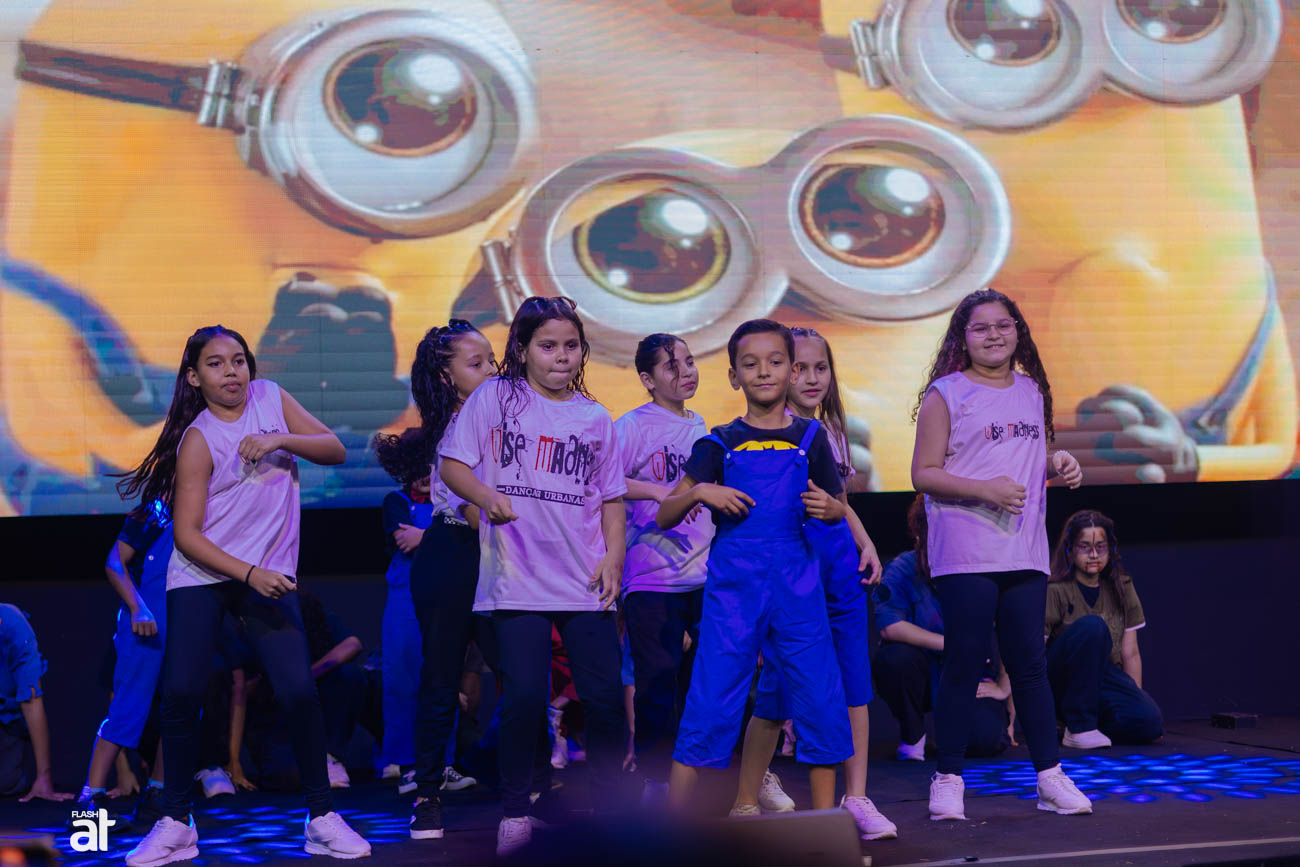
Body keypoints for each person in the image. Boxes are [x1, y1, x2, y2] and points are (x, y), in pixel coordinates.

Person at [115, 324, 369, 864]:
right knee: (182, 693)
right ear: (193, 377)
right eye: (215, 363)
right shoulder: (198, 439)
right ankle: (175, 822)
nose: (231, 372)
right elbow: (187, 536)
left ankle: (321, 818)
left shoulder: (271, 398)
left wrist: (280, 438)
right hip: (203, 573)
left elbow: (335, 449)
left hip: (264, 572)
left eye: (238, 360)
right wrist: (249, 574)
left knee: (298, 691)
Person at [440, 297, 629, 856]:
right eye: (548, 346)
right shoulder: (495, 398)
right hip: (515, 578)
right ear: (522, 350)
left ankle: (612, 812)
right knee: (523, 698)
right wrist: (485, 496)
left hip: (584, 580)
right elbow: (453, 466)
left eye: (571, 346)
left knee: (604, 700)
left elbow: (612, 499)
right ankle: (516, 812)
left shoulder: (594, 418)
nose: (562, 357)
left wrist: (615, 556)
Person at [657, 319, 852, 812]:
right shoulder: (718, 444)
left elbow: (837, 506)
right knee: (710, 698)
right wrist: (701, 491)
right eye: (750, 364)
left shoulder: (812, 439)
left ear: (791, 370)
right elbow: (664, 514)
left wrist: (832, 510)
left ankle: (825, 824)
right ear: (734, 376)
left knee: (819, 698)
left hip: (798, 586)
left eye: (775, 362)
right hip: (735, 591)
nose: (764, 372)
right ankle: (671, 830)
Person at [910, 288, 1091, 821]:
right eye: (981, 327)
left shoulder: (1031, 390)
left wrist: (1057, 463)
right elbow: (923, 473)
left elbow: (1025, 458)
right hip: (967, 549)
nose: (994, 334)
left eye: (1003, 324)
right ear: (962, 338)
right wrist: (984, 490)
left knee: (1030, 667)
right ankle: (947, 779)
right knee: (964, 662)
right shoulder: (947, 393)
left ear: (1018, 331)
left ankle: (1050, 778)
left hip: (1024, 549)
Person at [730, 327, 895, 840]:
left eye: (820, 368)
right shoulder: (763, 435)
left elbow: (836, 503)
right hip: (794, 570)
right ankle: (746, 797)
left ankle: (857, 797)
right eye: (798, 367)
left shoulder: (831, 432)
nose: (809, 378)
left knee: (853, 682)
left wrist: (864, 540)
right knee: (777, 687)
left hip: (839, 568)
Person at [404, 319, 497, 840]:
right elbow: (469, 506)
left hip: (499, 552)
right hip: (454, 552)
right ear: (446, 376)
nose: (492, 371)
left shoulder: (510, 417)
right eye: (477, 363)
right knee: (441, 678)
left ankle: (527, 785)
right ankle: (427, 796)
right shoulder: (453, 428)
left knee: (520, 673)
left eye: (493, 361)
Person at [614, 334, 711, 804]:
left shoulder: (703, 427)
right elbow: (600, 482)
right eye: (672, 366)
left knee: (706, 683)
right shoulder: (632, 426)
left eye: (689, 361)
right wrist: (656, 492)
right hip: (651, 575)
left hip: (706, 575)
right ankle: (655, 780)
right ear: (648, 379)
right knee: (656, 684)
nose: (686, 372)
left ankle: (702, 779)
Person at [873, 497, 1012, 762]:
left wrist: (1005, 686)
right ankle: (912, 734)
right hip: (922, 670)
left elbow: (1011, 624)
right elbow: (890, 626)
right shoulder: (903, 568)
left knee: (986, 741)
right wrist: (950, 644)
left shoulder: (980, 566)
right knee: (892, 658)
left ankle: (966, 728)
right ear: (919, 540)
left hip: (970, 675)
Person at [76, 500, 172, 827]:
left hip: (184, 624)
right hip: (146, 625)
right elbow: (115, 562)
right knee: (128, 710)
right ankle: (90, 801)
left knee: (182, 709)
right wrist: (137, 607)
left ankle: (158, 794)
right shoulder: (155, 511)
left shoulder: (207, 507)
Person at [1046, 510, 1163, 748]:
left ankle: (1081, 725)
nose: (1093, 555)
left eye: (1100, 547)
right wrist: (1016, 719)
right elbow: (1032, 653)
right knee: (1093, 627)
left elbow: (1130, 653)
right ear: (1069, 549)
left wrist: (1134, 699)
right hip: (1063, 679)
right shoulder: (1055, 589)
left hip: (1102, 677)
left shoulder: (1122, 587)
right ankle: (1078, 727)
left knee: (1149, 722)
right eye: (1084, 547)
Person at [372, 427, 434, 788]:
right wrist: (440, 536)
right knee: (402, 679)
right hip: (405, 598)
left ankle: (442, 762)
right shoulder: (395, 502)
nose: (424, 476)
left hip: (443, 596)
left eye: (430, 466)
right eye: (416, 469)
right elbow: (406, 542)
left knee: (440, 680)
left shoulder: (453, 500)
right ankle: (405, 761)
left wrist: (427, 535)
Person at [0, 604, 71, 803]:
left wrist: (43, 777)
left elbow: (31, 699)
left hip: (4, 718)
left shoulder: (14, 626)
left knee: (6, 782)